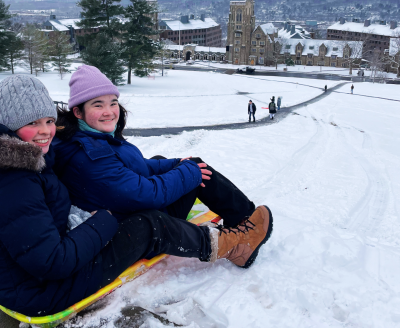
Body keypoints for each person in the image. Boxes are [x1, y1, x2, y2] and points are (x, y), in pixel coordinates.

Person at [0, 75, 273, 318]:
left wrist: (176, 168)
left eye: (49, 120)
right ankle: (234, 246)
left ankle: (242, 222)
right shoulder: (12, 181)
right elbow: (53, 262)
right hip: (37, 292)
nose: (46, 130)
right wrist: (103, 220)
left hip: (31, 271)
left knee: (177, 182)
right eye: (32, 123)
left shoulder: (19, 158)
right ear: (8, 126)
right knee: (149, 226)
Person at [54, 65, 265, 232]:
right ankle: (246, 220)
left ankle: (238, 210)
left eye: (113, 102)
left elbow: (137, 166)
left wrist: (175, 164)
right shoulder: (91, 154)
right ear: (78, 112)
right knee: (197, 169)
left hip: (124, 207)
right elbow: (146, 195)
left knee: (170, 162)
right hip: (139, 223)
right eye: (98, 105)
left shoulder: (91, 137)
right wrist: (189, 171)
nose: (109, 112)